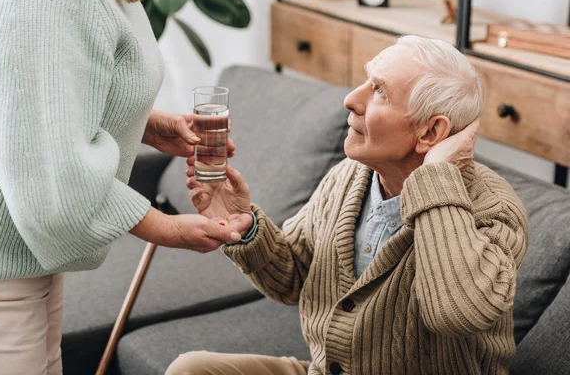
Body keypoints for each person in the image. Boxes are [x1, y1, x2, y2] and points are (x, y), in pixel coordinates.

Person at [168, 36, 529, 375]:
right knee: (191, 368)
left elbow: (455, 312)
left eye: (380, 92)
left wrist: (435, 176)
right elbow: (293, 276)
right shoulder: (348, 176)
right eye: (367, 81)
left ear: (431, 133)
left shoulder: (494, 210)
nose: (351, 99)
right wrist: (245, 227)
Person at [0, 0, 246, 374]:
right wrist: (165, 228)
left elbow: (28, 95)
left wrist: (144, 124)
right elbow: (54, 173)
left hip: (22, 259)